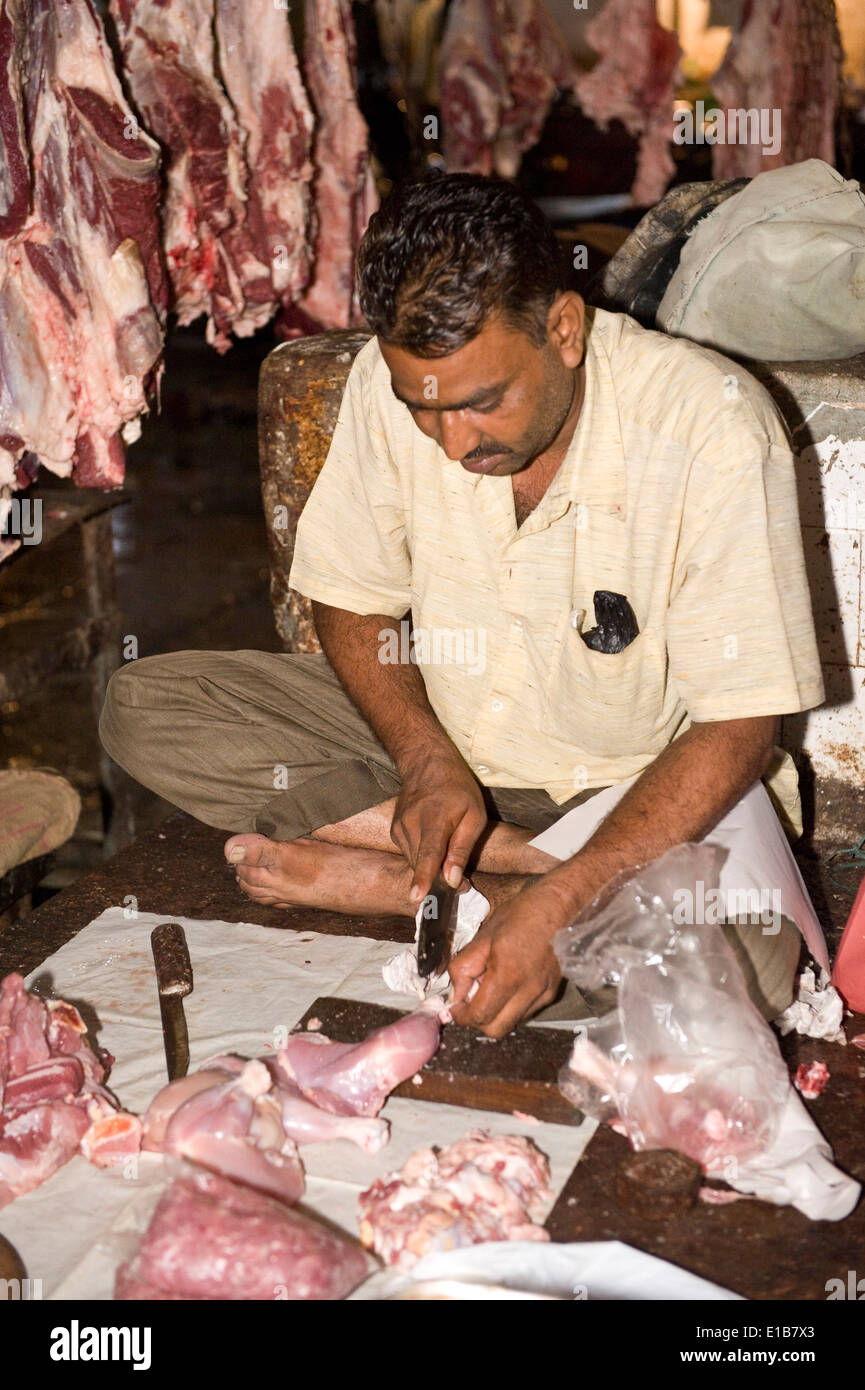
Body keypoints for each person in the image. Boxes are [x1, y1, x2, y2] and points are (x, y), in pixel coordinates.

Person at [100, 173, 825, 1039]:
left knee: (749, 967)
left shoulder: (710, 425)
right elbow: (351, 599)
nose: (454, 444)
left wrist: (564, 899)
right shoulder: (390, 381)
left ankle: (420, 884)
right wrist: (424, 761)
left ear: (562, 328)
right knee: (142, 705)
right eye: (425, 411)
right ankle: (498, 872)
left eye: (484, 402)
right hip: (447, 741)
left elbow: (736, 730)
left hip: (641, 791)